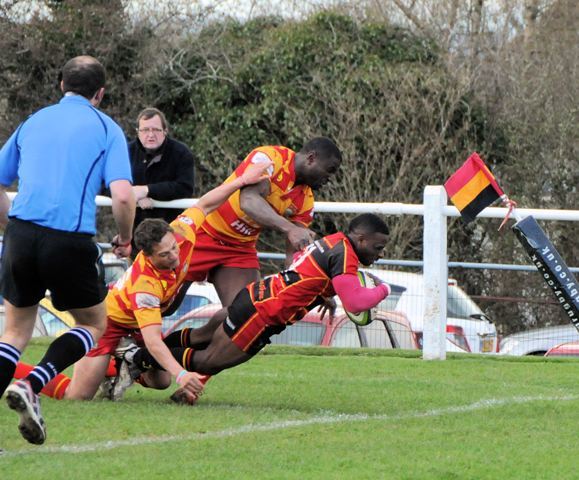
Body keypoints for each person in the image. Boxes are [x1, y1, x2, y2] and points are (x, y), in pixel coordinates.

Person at [0, 55, 136, 445]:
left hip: (21, 235)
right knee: (94, 324)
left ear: (61, 84)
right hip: (68, 239)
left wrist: (12, 228)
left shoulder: (34, 121)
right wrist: (125, 238)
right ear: (101, 93)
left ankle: (25, 385)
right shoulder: (106, 128)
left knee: (14, 333)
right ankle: (34, 383)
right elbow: (123, 196)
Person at [115, 213, 391, 403]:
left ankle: (147, 355)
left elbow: (302, 269)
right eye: (378, 247)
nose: (379, 254)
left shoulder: (333, 243)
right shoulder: (345, 254)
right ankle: (140, 358)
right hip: (263, 314)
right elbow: (356, 303)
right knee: (210, 360)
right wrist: (383, 290)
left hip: (255, 297)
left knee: (200, 337)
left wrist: (322, 294)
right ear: (362, 239)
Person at [63, 160, 272, 402]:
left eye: (173, 248)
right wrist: (182, 374)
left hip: (137, 325)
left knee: (160, 381)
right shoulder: (145, 286)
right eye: (164, 255)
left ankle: (126, 359)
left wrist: (242, 181)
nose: (174, 256)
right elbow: (152, 341)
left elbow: (206, 204)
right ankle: (25, 377)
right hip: (110, 324)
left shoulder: (181, 232)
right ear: (148, 256)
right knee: (77, 397)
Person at [163, 138, 342, 348]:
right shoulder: (270, 159)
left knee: (246, 312)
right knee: (165, 306)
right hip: (203, 234)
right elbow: (248, 201)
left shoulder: (306, 201)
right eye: (329, 170)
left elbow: (293, 255)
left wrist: (316, 288)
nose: (330, 178)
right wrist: (289, 228)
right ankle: (127, 339)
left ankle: (186, 342)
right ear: (311, 158)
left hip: (240, 249)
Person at [129, 107, 195, 228]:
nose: (150, 135)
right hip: (135, 230)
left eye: (156, 130)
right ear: (137, 132)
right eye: (145, 130)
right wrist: (134, 196)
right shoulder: (126, 152)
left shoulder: (181, 153)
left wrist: (147, 190)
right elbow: (107, 185)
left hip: (171, 228)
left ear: (165, 131)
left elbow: (185, 188)